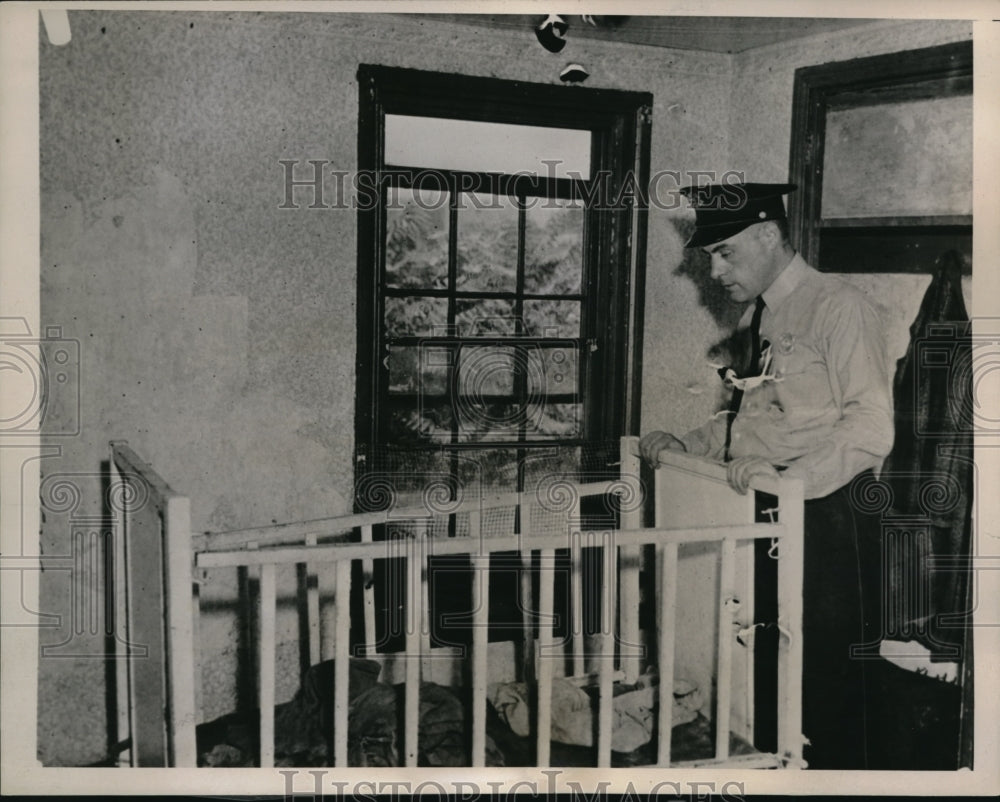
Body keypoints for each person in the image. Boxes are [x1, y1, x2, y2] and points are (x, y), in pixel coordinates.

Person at [640, 181, 894, 769]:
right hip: (769, 505)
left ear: (768, 234)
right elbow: (753, 420)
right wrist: (689, 444)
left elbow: (870, 429)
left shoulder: (839, 306)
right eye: (709, 256)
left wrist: (789, 482)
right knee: (769, 679)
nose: (714, 270)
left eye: (725, 252)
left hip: (827, 515)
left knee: (826, 684)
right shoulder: (764, 315)